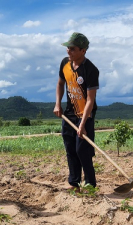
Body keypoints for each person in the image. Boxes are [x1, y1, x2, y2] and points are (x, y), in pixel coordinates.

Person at [53, 32, 99, 190]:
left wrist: (83, 123)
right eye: (67, 48)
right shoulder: (65, 63)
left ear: (83, 50)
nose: (68, 51)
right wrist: (57, 104)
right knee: (70, 148)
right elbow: (60, 84)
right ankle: (74, 182)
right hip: (69, 114)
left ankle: (90, 184)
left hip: (85, 115)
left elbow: (90, 100)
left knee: (82, 150)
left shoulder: (91, 70)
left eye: (72, 48)